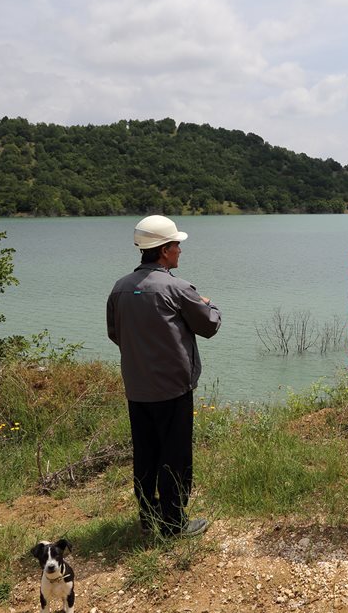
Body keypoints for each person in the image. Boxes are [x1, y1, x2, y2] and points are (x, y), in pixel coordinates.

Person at [107, 215, 222, 537]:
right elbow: (209, 325)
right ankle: (174, 523)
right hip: (173, 389)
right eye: (176, 245)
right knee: (175, 455)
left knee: (145, 453)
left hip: (137, 387)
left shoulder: (120, 288)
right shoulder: (177, 288)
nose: (180, 250)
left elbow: (115, 333)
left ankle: (148, 517)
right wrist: (209, 305)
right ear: (163, 250)